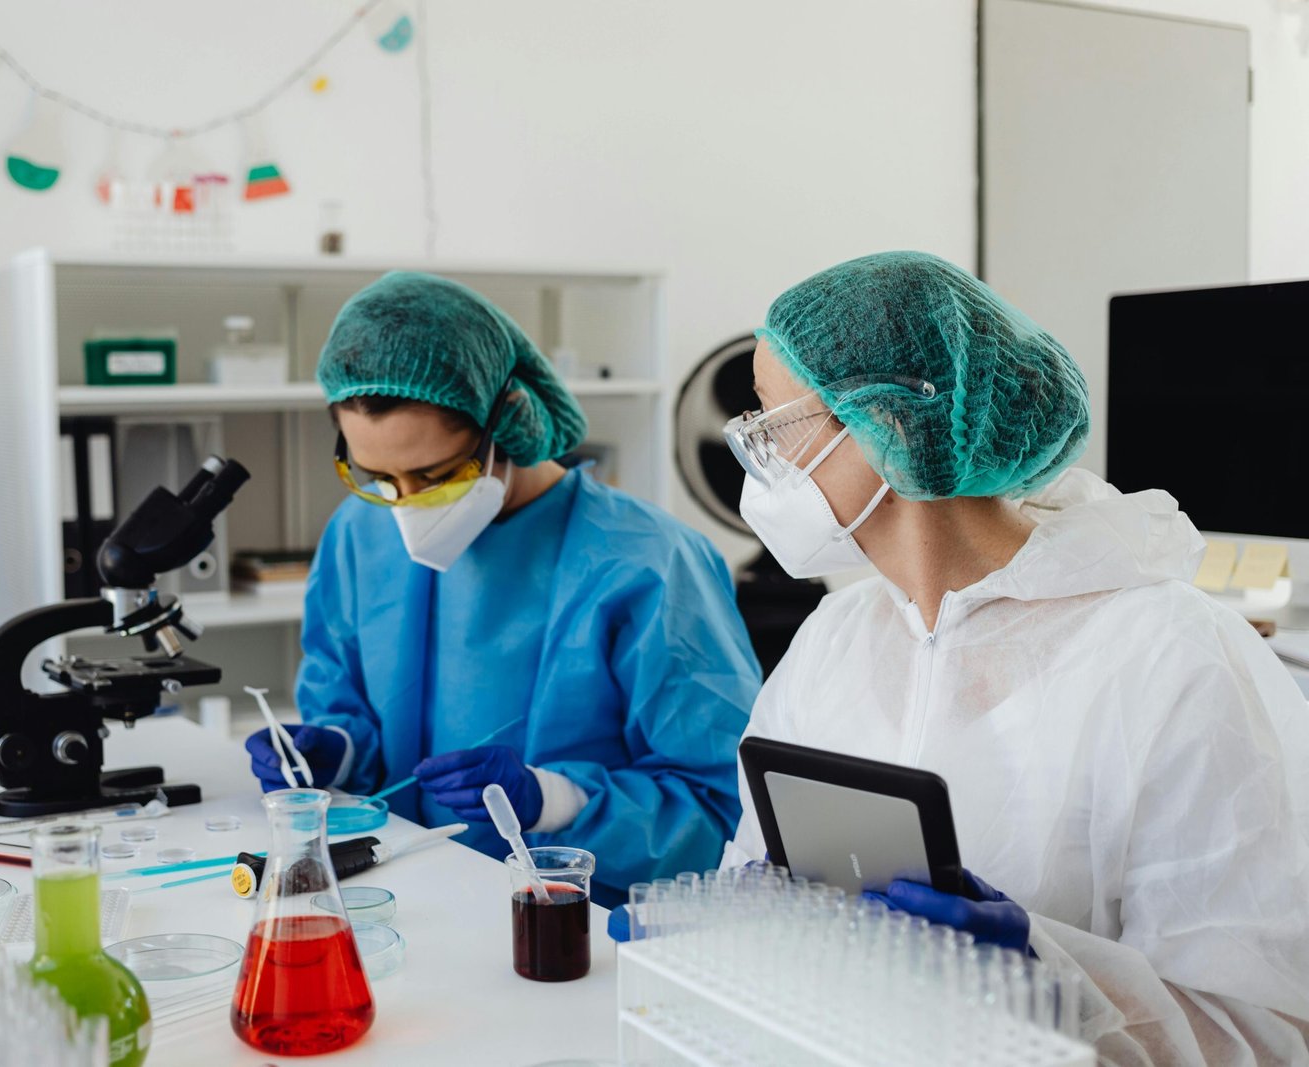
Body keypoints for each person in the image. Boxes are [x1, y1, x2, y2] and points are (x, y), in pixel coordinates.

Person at [720, 251, 1309, 1063]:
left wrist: (1045, 973)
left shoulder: (1172, 657)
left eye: (769, 422)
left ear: (889, 425)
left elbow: (1268, 1032)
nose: (754, 454)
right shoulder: (837, 637)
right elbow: (749, 861)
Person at [246, 271, 762, 901]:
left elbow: (720, 810)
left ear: (508, 422)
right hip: (399, 900)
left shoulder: (650, 562)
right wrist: (336, 750)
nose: (406, 506)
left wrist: (552, 800)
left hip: (571, 929)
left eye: (433, 473)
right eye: (378, 475)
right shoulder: (360, 531)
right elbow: (341, 691)